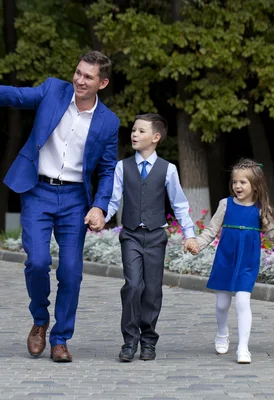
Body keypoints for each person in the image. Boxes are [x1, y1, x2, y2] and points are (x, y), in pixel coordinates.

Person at [0, 51, 120, 363]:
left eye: (88, 77)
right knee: (37, 261)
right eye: (78, 72)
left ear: (102, 83)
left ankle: (61, 339)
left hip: (76, 199)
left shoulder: (109, 122)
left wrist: (100, 207)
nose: (79, 80)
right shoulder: (54, 90)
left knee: (71, 272)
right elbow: (16, 95)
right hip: (38, 190)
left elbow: (107, 170)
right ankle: (40, 319)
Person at [105, 113, 198, 362]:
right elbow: (113, 200)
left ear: (155, 137)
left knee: (152, 291)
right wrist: (100, 217)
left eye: (141, 131)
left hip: (156, 236)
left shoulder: (168, 169)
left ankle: (148, 341)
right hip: (131, 236)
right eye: (133, 130)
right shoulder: (121, 167)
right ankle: (129, 341)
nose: (134, 134)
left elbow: (179, 204)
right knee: (133, 285)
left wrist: (189, 234)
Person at [185, 159, 274, 364]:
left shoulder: (262, 209)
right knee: (222, 303)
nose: (237, 186)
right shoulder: (225, 204)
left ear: (255, 185)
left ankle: (243, 347)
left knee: (243, 301)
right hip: (226, 258)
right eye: (235, 182)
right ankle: (222, 333)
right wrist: (197, 244)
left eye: (243, 182)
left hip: (247, 261)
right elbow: (211, 230)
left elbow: (272, 235)